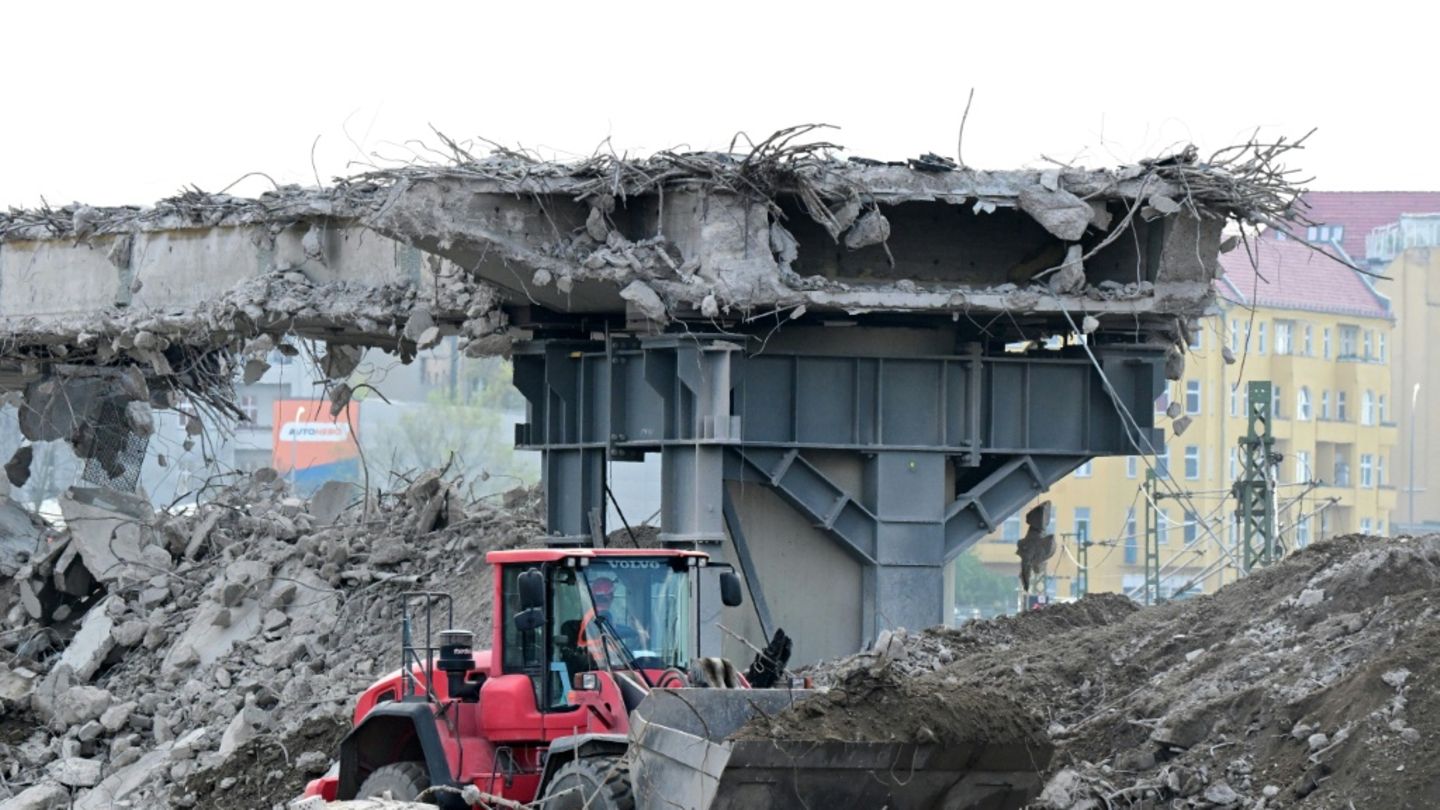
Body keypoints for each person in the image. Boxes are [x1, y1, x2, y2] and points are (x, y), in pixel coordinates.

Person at [576, 575, 648, 663]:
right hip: (598, 661)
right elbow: (613, 631)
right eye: (612, 594)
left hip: (592, 657)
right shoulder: (602, 614)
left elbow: (614, 626)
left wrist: (632, 630)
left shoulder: (593, 613)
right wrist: (636, 633)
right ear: (609, 596)